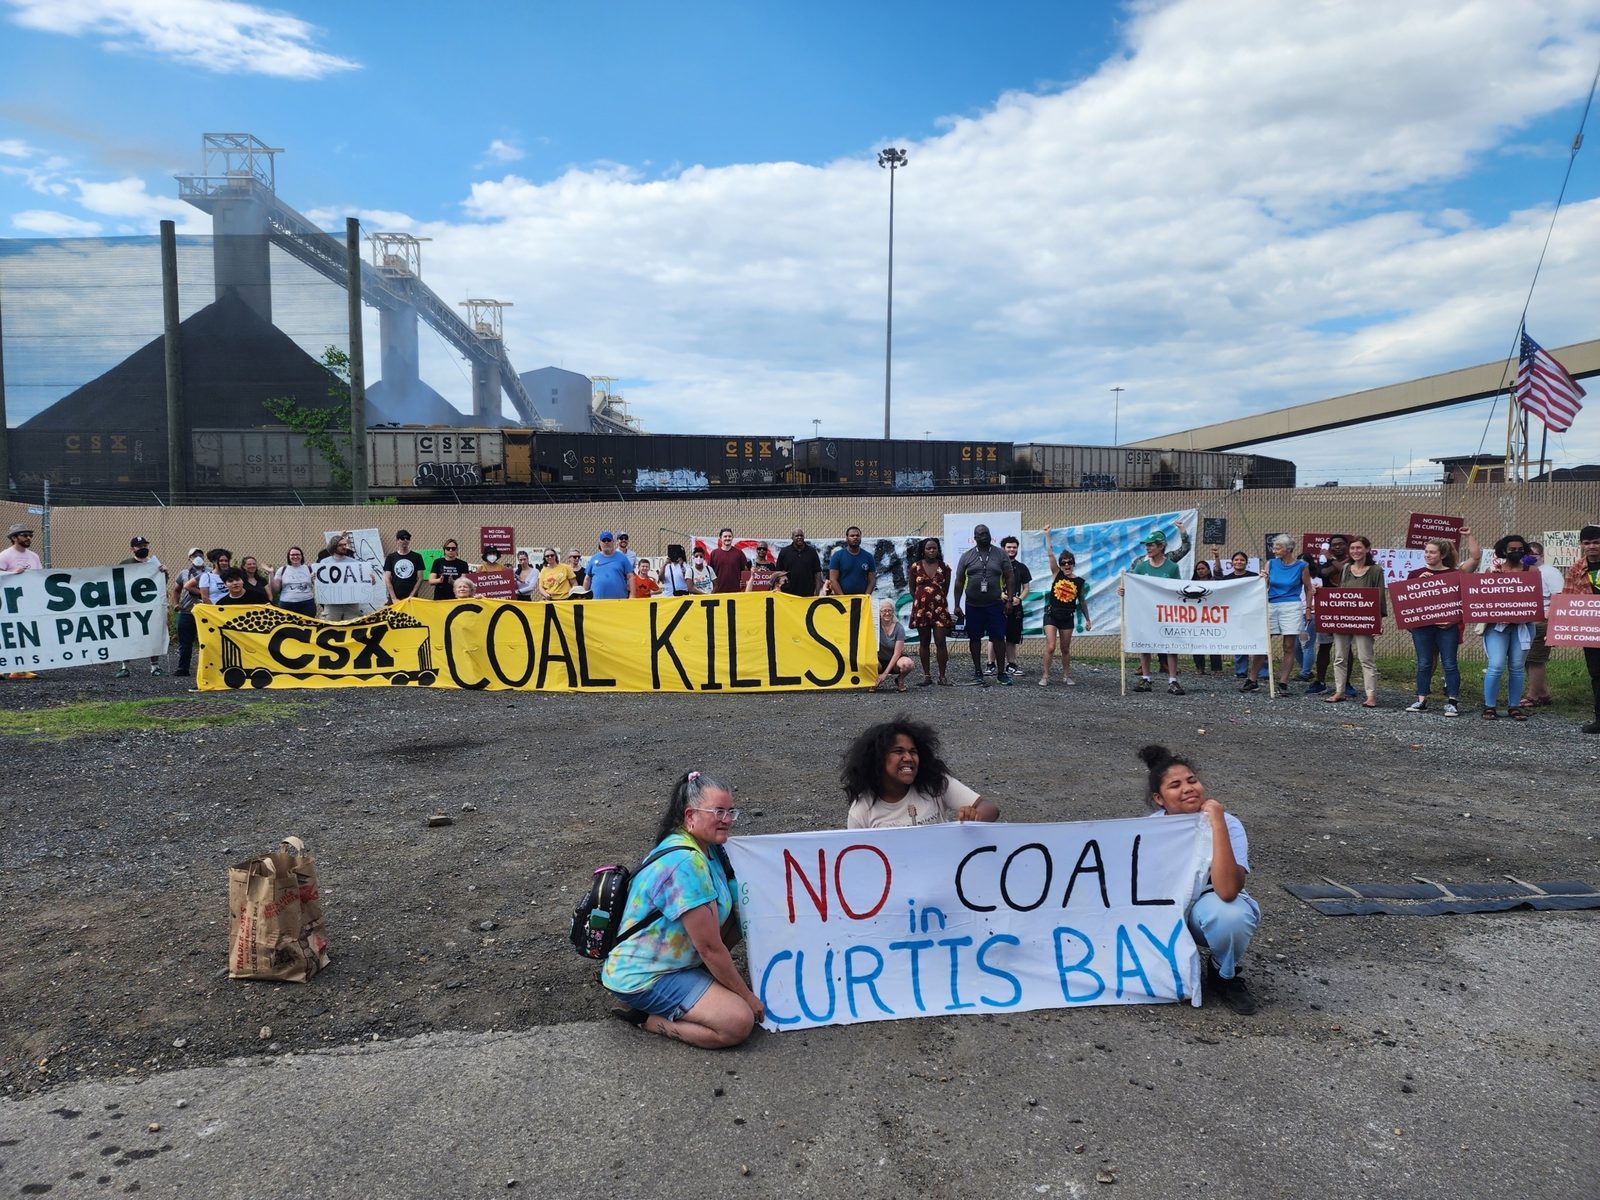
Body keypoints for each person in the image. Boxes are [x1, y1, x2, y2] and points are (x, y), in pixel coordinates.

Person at [601, 771, 760, 1048]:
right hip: (645, 974)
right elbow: (710, 948)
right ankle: (647, 1020)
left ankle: (701, 990)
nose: (726, 819)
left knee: (736, 925)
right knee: (737, 1022)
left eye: (730, 811)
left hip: (672, 961)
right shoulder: (686, 864)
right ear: (690, 816)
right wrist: (746, 996)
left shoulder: (709, 850)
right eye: (718, 811)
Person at [1135, 744, 1259, 1015]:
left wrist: (1216, 824)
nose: (1188, 788)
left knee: (1230, 915)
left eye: (1192, 781)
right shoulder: (1149, 831)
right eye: (1175, 785)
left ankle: (1222, 974)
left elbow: (1227, 891)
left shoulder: (1228, 824)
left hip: (1206, 907)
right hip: (1166, 913)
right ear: (1159, 798)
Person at [842, 717, 999, 828]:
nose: (909, 758)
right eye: (898, 751)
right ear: (877, 759)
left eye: (913, 751)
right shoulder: (861, 811)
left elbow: (990, 809)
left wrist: (974, 818)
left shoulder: (935, 784)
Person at [1478, 532, 1538, 721]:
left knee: (1517, 667)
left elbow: (1534, 598)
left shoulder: (1532, 572)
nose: (1517, 552)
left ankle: (1514, 706)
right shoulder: (1492, 570)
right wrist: (1493, 579)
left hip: (1523, 626)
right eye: (1512, 549)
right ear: (1503, 551)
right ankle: (1489, 706)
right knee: (1495, 665)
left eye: (1520, 549)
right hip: (1497, 627)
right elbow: (1482, 599)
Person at [1404, 534, 1465, 718]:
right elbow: (1406, 602)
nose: (1428, 555)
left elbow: (1464, 602)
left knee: (1450, 663)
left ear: (1442, 555)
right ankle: (1421, 699)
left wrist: (1454, 620)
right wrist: (1419, 584)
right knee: (1424, 663)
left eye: (1432, 552)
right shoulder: (1414, 574)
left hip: (1447, 627)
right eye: (1426, 552)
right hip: (1422, 627)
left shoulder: (1454, 575)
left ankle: (1452, 702)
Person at [1324, 535, 1386, 708]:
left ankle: (1371, 695)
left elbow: (1379, 596)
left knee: (1366, 658)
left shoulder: (1376, 570)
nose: (1355, 551)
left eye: (1359, 548)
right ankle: (1339, 691)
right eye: (1352, 548)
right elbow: (1341, 593)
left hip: (1364, 620)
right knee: (1339, 657)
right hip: (1344, 619)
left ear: (1367, 549)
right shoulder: (1345, 569)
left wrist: (1377, 621)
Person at [1122, 530, 1184, 695]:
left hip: (1166, 613)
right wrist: (1124, 590)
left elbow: (1178, 590)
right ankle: (1146, 678)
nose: (1148, 548)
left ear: (1161, 546)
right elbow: (1133, 587)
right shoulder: (1141, 566)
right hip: (1146, 612)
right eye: (1147, 545)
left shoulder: (1172, 567)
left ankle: (1172, 680)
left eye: (1151, 545)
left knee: (1170, 645)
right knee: (1145, 644)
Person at [1249, 534, 1311, 695]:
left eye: (1278, 548)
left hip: (1291, 605)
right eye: (1274, 547)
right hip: (1271, 603)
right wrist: (1263, 578)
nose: (1274, 550)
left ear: (1288, 549)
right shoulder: (1271, 563)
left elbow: (1308, 588)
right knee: (1264, 642)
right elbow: (1265, 584)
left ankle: (1283, 682)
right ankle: (1252, 679)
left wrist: (1308, 609)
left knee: (1288, 646)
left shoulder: (1302, 566)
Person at [954, 524, 1014, 687]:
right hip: (973, 605)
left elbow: (1009, 577)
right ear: (975, 537)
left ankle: (1001, 673)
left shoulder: (1000, 554)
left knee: (998, 638)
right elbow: (959, 581)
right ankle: (978, 671)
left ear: (990, 535)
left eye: (986, 533)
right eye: (980, 534)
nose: (984, 536)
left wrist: (1009, 600)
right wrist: (957, 604)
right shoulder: (967, 556)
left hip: (995, 604)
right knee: (974, 638)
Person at [1561, 524, 1600, 734]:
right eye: (1587, 543)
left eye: (1596, 542)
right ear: (1582, 545)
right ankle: (1599, 718)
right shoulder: (1576, 568)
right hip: (1591, 629)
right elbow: (1568, 599)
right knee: (1596, 674)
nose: (1592, 546)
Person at [1039, 536, 1090, 687]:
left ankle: (1066, 675)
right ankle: (1045, 676)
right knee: (1051, 646)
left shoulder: (1079, 581)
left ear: (1073, 564)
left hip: (1067, 617)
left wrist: (1088, 619)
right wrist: (1047, 535)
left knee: (1065, 648)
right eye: (1064, 563)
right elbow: (1050, 553)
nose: (1067, 565)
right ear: (1060, 565)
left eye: (1069, 563)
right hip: (1052, 615)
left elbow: (1081, 601)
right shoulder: (1057, 574)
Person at [114, 536, 166, 678]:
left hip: (149, 608)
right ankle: (125, 667)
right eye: (139, 546)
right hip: (130, 608)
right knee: (127, 636)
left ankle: (155, 667)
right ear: (132, 549)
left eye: (145, 545)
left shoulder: (155, 564)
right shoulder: (125, 564)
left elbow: (161, 585)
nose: (143, 548)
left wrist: (163, 572)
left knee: (152, 635)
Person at [1307, 535, 1351, 695]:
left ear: (1347, 546)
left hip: (1346, 608)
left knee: (1346, 648)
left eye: (1341, 544)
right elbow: (1324, 572)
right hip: (1328, 608)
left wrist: (1330, 558)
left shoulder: (1353, 561)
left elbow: (1344, 570)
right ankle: (1320, 680)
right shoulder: (1325, 562)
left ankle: (1346, 683)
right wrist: (1330, 561)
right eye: (1334, 545)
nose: (1337, 547)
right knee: (1324, 645)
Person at [908, 537, 954, 687]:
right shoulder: (915, 567)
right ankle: (927, 676)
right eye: (929, 548)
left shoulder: (945, 567)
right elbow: (912, 589)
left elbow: (946, 589)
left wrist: (936, 599)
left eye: (934, 548)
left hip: (939, 609)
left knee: (941, 641)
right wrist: (922, 600)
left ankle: (942, 676)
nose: (932, 550)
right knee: (924, 641)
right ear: (923, 550)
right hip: (921, 610)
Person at [0, 524, 43, 678]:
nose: (28, 538)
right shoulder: (5, 555)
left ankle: (19, 669)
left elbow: (39, 576)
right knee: (5, 634)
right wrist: (12, 573)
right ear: (14, 538)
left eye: (30, 535)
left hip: (27, 602)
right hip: (8, 602)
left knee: (23, 634)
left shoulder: (34, 556)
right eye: (24, 535)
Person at [1525, 540, 1564, 707]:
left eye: (1532, 554)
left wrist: (1547, 616)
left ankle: (1533, 695)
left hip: (1541, 620)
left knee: (1535, 659)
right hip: (1527, 619)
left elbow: (1559, 595)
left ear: (1540, 555)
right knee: (1528, 659)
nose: (1529, 558)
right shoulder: (1524, 571)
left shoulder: (1549, 572)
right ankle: (1542, 693)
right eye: (1526, 555)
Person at [996, 535, 1033, 677]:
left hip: (1015, 607)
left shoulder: (1022, 567)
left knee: (1012, 637)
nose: (1011, 550)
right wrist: (1001, 595)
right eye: (1009, 547)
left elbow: (1026, 588)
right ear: (1003, 549)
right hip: (998, 606)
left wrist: (1019, 598)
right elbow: (991, 585)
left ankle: (1011, 664)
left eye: (1014, 547)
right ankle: (991, 664)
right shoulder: (996, 566)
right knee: (996, 636)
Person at [171, 546, 209, 676]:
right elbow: (176, 590)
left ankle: (208, 668)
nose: (198, 557)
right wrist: (176, 604)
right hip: (187, 611)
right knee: (185, 642)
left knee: (208, 641)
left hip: (206, 612)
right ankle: (183, 668)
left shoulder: (210, 572)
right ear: (189, 558)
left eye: (200, 555)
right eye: (194, 555)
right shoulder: (184, 573)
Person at [1189, 561, 1223, 675]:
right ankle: (1200, 667)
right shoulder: (1191, 584)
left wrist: (1217, 558)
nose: (1200, 571)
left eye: (1203, 568)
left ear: (1208, 570)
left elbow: (1218, 573)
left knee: (1213, 642)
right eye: (1198, 569)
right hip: (1196, 617)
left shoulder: (1214, 582)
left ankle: (1217, 668)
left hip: (1212, 616)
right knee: (1197, 641)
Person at [875, 600, 916, 692]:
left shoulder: (899, 628)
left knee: (908, 664)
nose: (887, 613)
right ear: (879, 613)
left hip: (896, 660)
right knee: (869, 663)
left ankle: (900, 679)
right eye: (884, 611)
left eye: (889, 610)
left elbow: (897, 653)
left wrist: (885, 674)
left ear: (893, 612)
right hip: (879, 661)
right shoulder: (874, 627)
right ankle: (873, 680)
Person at [827, 526, 876, 597]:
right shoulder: (837, 556)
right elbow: (833, 580)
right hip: (843, 600)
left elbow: (872, 581)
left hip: (862, 600)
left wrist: (865, 597)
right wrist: (843, 598)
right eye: (852, 536)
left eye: (857, 535)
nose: (855, 537)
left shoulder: (868, 557)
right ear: (847, 538)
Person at [776, 527, 824, 597]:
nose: (799, 537)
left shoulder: (812, 552)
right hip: (788, 594)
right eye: (797, 536)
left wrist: (817, 592)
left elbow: (817, 572)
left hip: (808, 593)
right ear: (792, 538)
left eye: (801, 535)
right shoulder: (784, 552)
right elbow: (778, 573)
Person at [586, 532, 635, 599]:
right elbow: (587, 579)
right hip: (597, 602)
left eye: (608, 540)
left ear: (613, 542)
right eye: (604, 540)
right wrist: (584, 596)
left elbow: (630, 577)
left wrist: (632, 595)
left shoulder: (622, 557)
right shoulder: (594, 558)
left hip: (618, 601)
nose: (606, 542)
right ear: (600, 542)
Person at [271, 546, 316, 617]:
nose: (295, 556)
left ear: (302, 556)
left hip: (307, 604)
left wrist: (314, 579)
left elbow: (316, 586)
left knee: (307, 626)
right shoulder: (282, 569)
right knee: (287, 626)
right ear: (288, 556)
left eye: (298, 554)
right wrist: (271, 574)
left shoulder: (310, 569)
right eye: (292, 555)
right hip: (287, 604)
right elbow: (275, 589)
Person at [384, 530, 426, 604]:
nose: (405, 540)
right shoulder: (391, 557)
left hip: (411, 598)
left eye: (407, 538)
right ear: (397, 540)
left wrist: (411, 596)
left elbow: (420, 578)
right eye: (402, 538)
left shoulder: (417, 557)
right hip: (395, 596)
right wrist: (394, 598)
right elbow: (387, 578)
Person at [708, 528, 746, 594]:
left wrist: (743, 582)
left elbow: (745, 570)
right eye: (725, 536)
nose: (727, 538)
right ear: (720, 538)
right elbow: (709, 572)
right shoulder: (714, 553)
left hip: (735, 591)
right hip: (718, 591)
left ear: (732, 538)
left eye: (729, 536)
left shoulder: (739, 553)